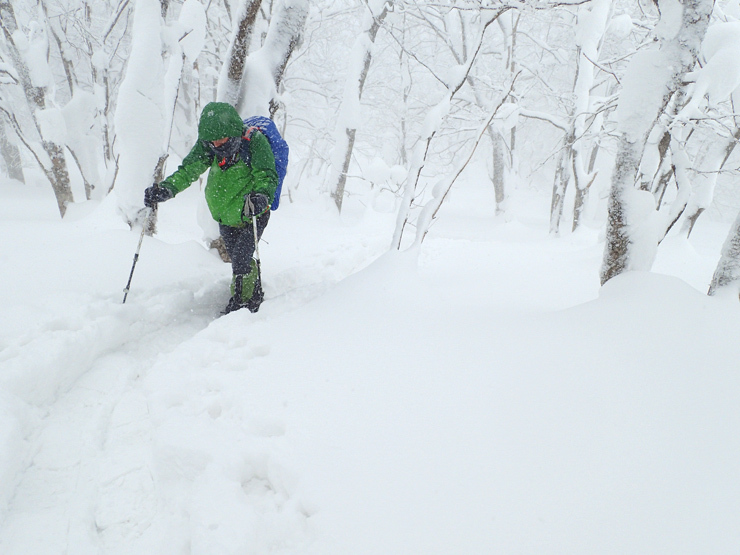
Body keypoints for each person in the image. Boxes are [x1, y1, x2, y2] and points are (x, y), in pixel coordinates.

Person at [144, 102, 278, 314]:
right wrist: (167, 189)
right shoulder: (209, 146)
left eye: (221, 139)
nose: (216, 144)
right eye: (212, 140)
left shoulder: (254, 142)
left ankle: (242, 304)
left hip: (252, 212)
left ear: (232, 132)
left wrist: (261, 195)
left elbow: (267, 174)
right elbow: (189, 170)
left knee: (242, 259)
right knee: (237, 259)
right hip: (225, 216)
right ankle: (253, 290)